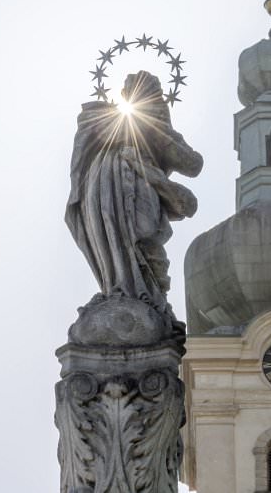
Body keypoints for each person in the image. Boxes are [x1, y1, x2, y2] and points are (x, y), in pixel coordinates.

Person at [65, 71, 203, 329]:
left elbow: (193, 164)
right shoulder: (106, 121)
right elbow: (82, 151)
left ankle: (152, 298)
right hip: (103, 186)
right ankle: (116, 288)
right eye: (134, 91)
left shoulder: (158, 127)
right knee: (110, 235)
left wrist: (153, 129)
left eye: (149, 92)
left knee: (146, 236)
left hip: (142, 185)